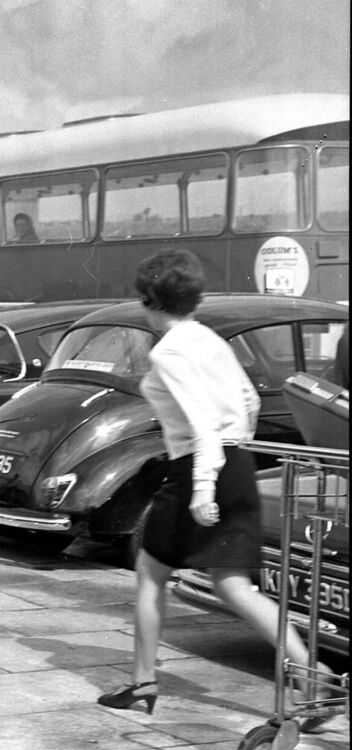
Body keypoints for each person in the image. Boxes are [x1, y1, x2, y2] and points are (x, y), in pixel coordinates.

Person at [98, 249, 333, 713]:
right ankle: (311, 672)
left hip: (198, 470)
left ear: (150, 301)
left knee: (150, 573)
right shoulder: (210, 339)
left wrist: (204, 487)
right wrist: (233, 449)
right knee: (232, 584)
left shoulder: (168, 351)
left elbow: (202, 424)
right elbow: (248, 401)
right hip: (237, 463)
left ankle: (143, 681)